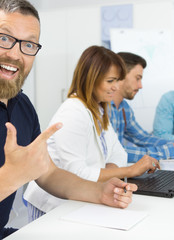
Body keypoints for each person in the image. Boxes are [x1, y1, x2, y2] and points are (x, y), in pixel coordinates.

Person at [0, 1, 137, 239]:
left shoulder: (21, 105)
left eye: (29, 45)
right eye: (4, 38)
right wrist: (11, 176)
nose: (15, 54)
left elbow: (48, 174)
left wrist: (98, 192)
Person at [24, 46, 159, 221]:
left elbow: (119, 153)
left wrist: (105, 172)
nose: (116, 87)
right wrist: (130, 170)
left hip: (81, 201)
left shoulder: (99, 109)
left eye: (118, 80)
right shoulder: (73, 112)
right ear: (91, 79)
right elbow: (77, 174)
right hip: (51, 205)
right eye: (110, 81)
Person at [110, 52, 174, 163]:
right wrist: (170, 151)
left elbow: (143, 138)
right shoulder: (103, 109)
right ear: (121, 75)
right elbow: (115, 154)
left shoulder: (124, 108)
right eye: (137, 78)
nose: (140, 85)